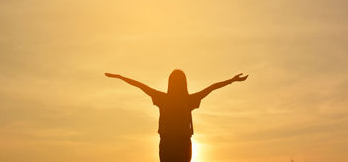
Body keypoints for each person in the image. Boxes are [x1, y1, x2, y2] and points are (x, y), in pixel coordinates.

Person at [104, 69, 248, 162]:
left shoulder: (164, 98)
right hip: (176, 144)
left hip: (173, 144)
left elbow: (141, 86)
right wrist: (231, 80)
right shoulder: (187, 100)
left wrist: (120, 77)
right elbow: (211, 88)